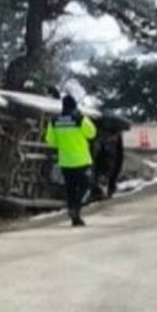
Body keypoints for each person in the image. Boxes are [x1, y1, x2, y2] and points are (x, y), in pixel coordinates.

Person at [45, 95, 98, 226]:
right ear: (74, 106)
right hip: (81, 160)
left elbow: (51, 141)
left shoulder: (54, 121)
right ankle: (76, 208)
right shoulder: (79, 119)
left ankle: (74, 216)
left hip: (65, 161)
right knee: (86, 186)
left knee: (70, 189)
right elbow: (92, 133)